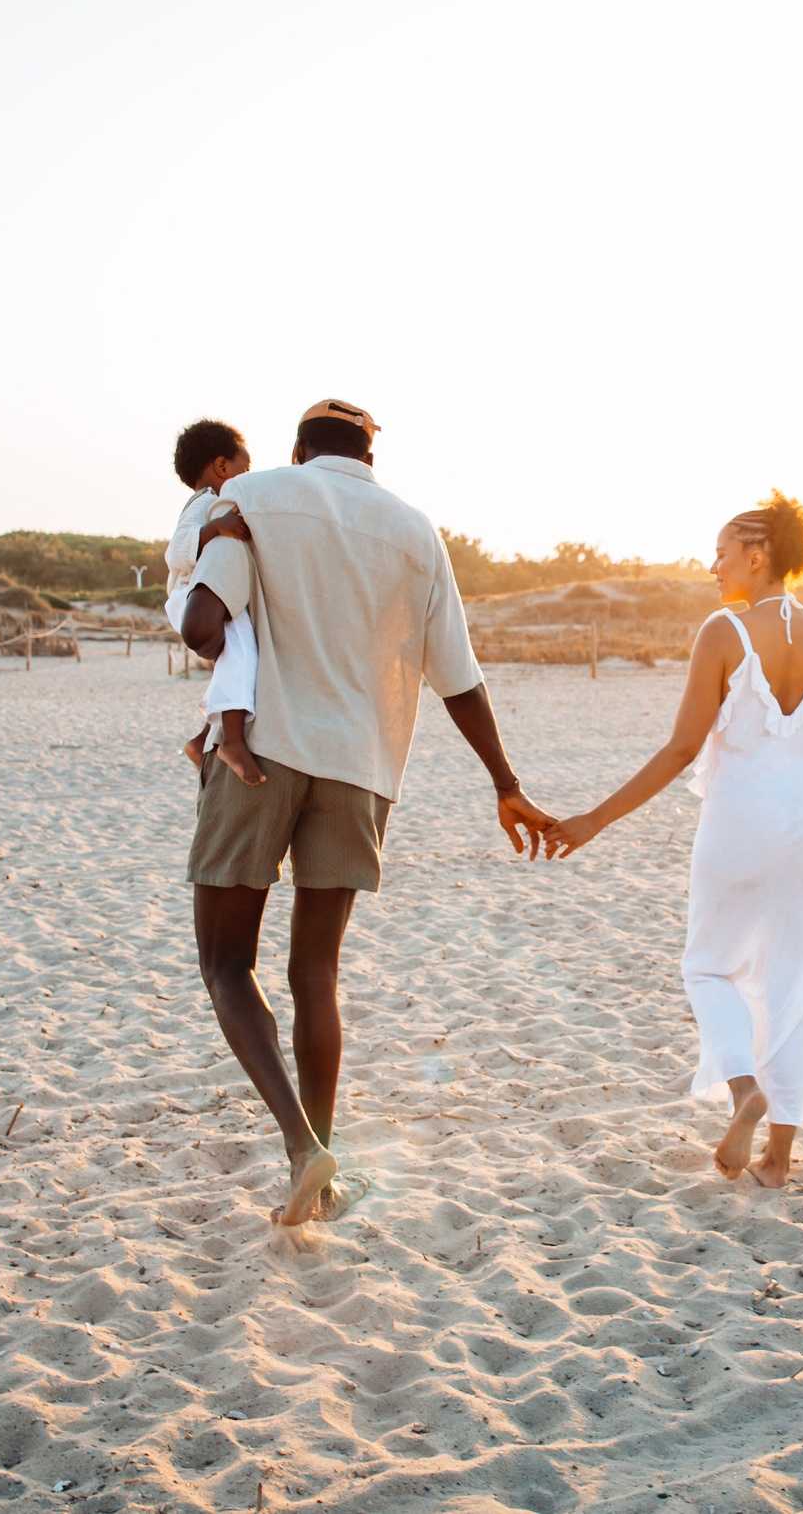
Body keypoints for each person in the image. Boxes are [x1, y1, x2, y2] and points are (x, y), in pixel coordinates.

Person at [179, 398, 555, 1225]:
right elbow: (457, 674)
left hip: (263, 756)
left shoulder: (254, 497)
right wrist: (504, 780)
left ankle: (301, 1147)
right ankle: (325, 1161)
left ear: (302, 447)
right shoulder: (417, 532)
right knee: (315, 973)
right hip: (360, 770)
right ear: (371, 455)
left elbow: (205, 626)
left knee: (225, 963)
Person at [541, 492, 803, 1188]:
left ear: (758, 556)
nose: (711, 566)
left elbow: (680, 749)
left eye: (721, 554)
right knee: (797, 985)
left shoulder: (723, 633)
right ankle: (779, 1157)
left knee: (709, 968)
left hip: (739, 823)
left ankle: (743, 1088)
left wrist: (593, 819)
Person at [164, 419, 263, 786]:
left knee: (237, 660)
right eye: (244, 468)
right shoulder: (204, 503)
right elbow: (176, 552)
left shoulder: (212, 504)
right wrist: (217, 527)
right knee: (242, 655)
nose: (247, 476)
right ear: (222, 467)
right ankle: (232, 742)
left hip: (204, 594)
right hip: (190, 596)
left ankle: (204, 739)